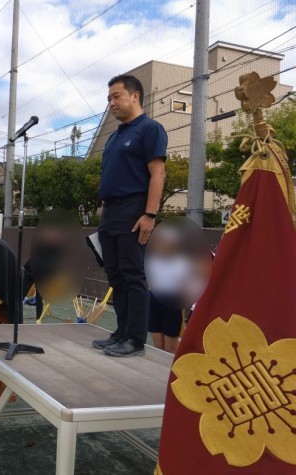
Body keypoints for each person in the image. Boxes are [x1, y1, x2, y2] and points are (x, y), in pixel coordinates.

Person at [92, 74, 167, 357]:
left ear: (135, 96)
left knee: (133, 274)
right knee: (115, 274)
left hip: (134, 209)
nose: (111, 103)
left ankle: (135, 340)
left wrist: (150, 214)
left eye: (116, 96)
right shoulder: (115, 136)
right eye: (109, 99)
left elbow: (158, 173)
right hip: (110, 212)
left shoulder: (149, 129)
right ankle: (121, 332)